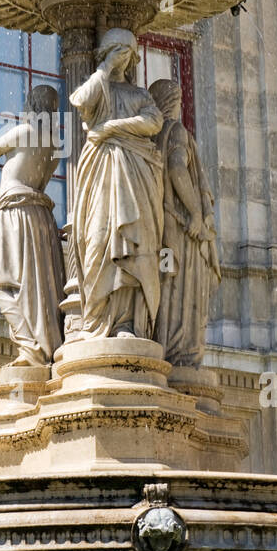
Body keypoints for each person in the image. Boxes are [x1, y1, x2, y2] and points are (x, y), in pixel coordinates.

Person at [70, 29, 164, 339]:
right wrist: (104, 69)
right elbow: (80, 100)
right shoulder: (98, 89)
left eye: (128, 51)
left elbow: (154, 122)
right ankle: (94, 320)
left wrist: (111, 128)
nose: (124, 56)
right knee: (98, 240)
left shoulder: (139, 95)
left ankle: (126, 324)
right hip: (100, 171)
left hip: (137, 175)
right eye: (117, 50)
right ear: (107, 52)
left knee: (134, 246)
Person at [0, 85, 65, 365]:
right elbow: (41, 181)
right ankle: (42, 344)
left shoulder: (23, 132)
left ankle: (28, 345)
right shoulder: (55, 146)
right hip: (40, 216)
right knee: (39, 285)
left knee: (1, 283)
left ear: (31, 105)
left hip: (13, 210)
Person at [149, 79, 221, 366]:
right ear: (171, 102)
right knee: (183, 284)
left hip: (160, 226)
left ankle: (162, 342)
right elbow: (179, 169)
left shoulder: (150, 136)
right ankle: (182, 351)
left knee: (166, 282)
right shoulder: (176, 131)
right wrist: (194, 212)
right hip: (182, 228)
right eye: (177, 100)